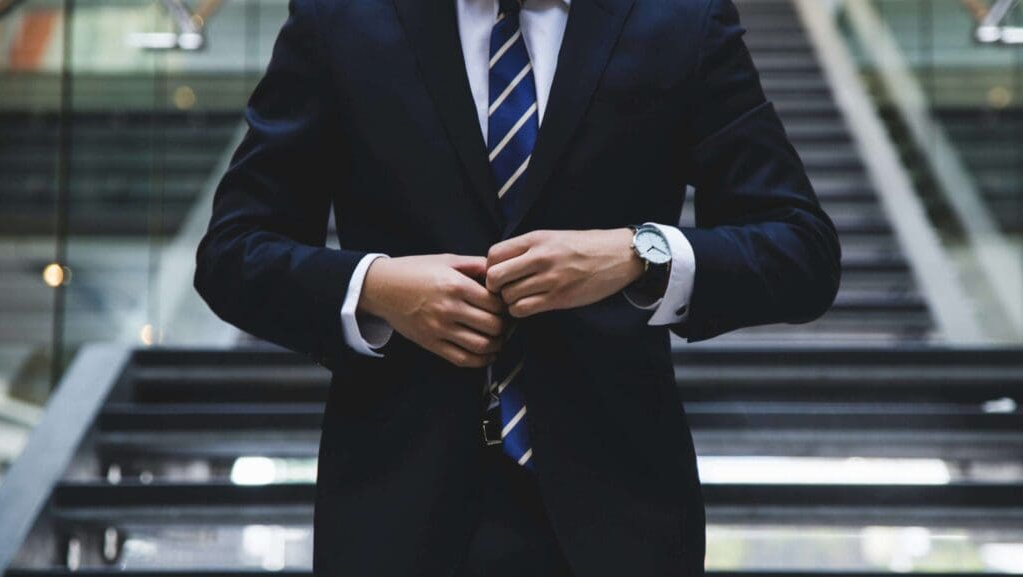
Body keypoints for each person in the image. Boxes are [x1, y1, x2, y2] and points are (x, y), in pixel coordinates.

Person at [194, 0, 841, 574]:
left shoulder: (680, 17)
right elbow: (232, 251)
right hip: (394, 511)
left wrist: (638, 253)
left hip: (621, 517)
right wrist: (376, 287)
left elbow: (801, 249)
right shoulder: (339, 16)